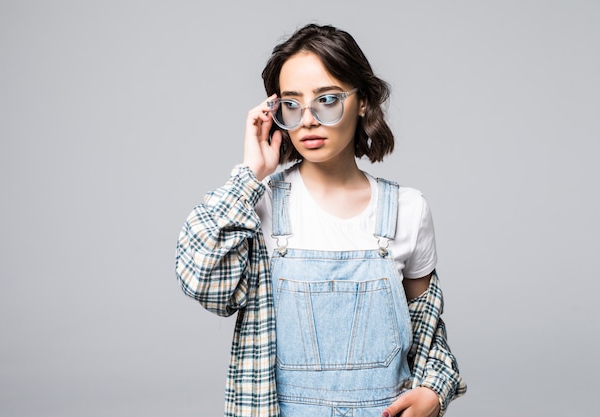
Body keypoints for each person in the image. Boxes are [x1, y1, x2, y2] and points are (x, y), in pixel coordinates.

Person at [176, 23, 466, 417]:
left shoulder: (406, 209)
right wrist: (249, 175)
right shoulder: (258, 206)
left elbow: (427, 330)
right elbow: (202, 281)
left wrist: (434, 389)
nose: (308, 120)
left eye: (327, 100)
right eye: (292, 105)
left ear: (362, 101)